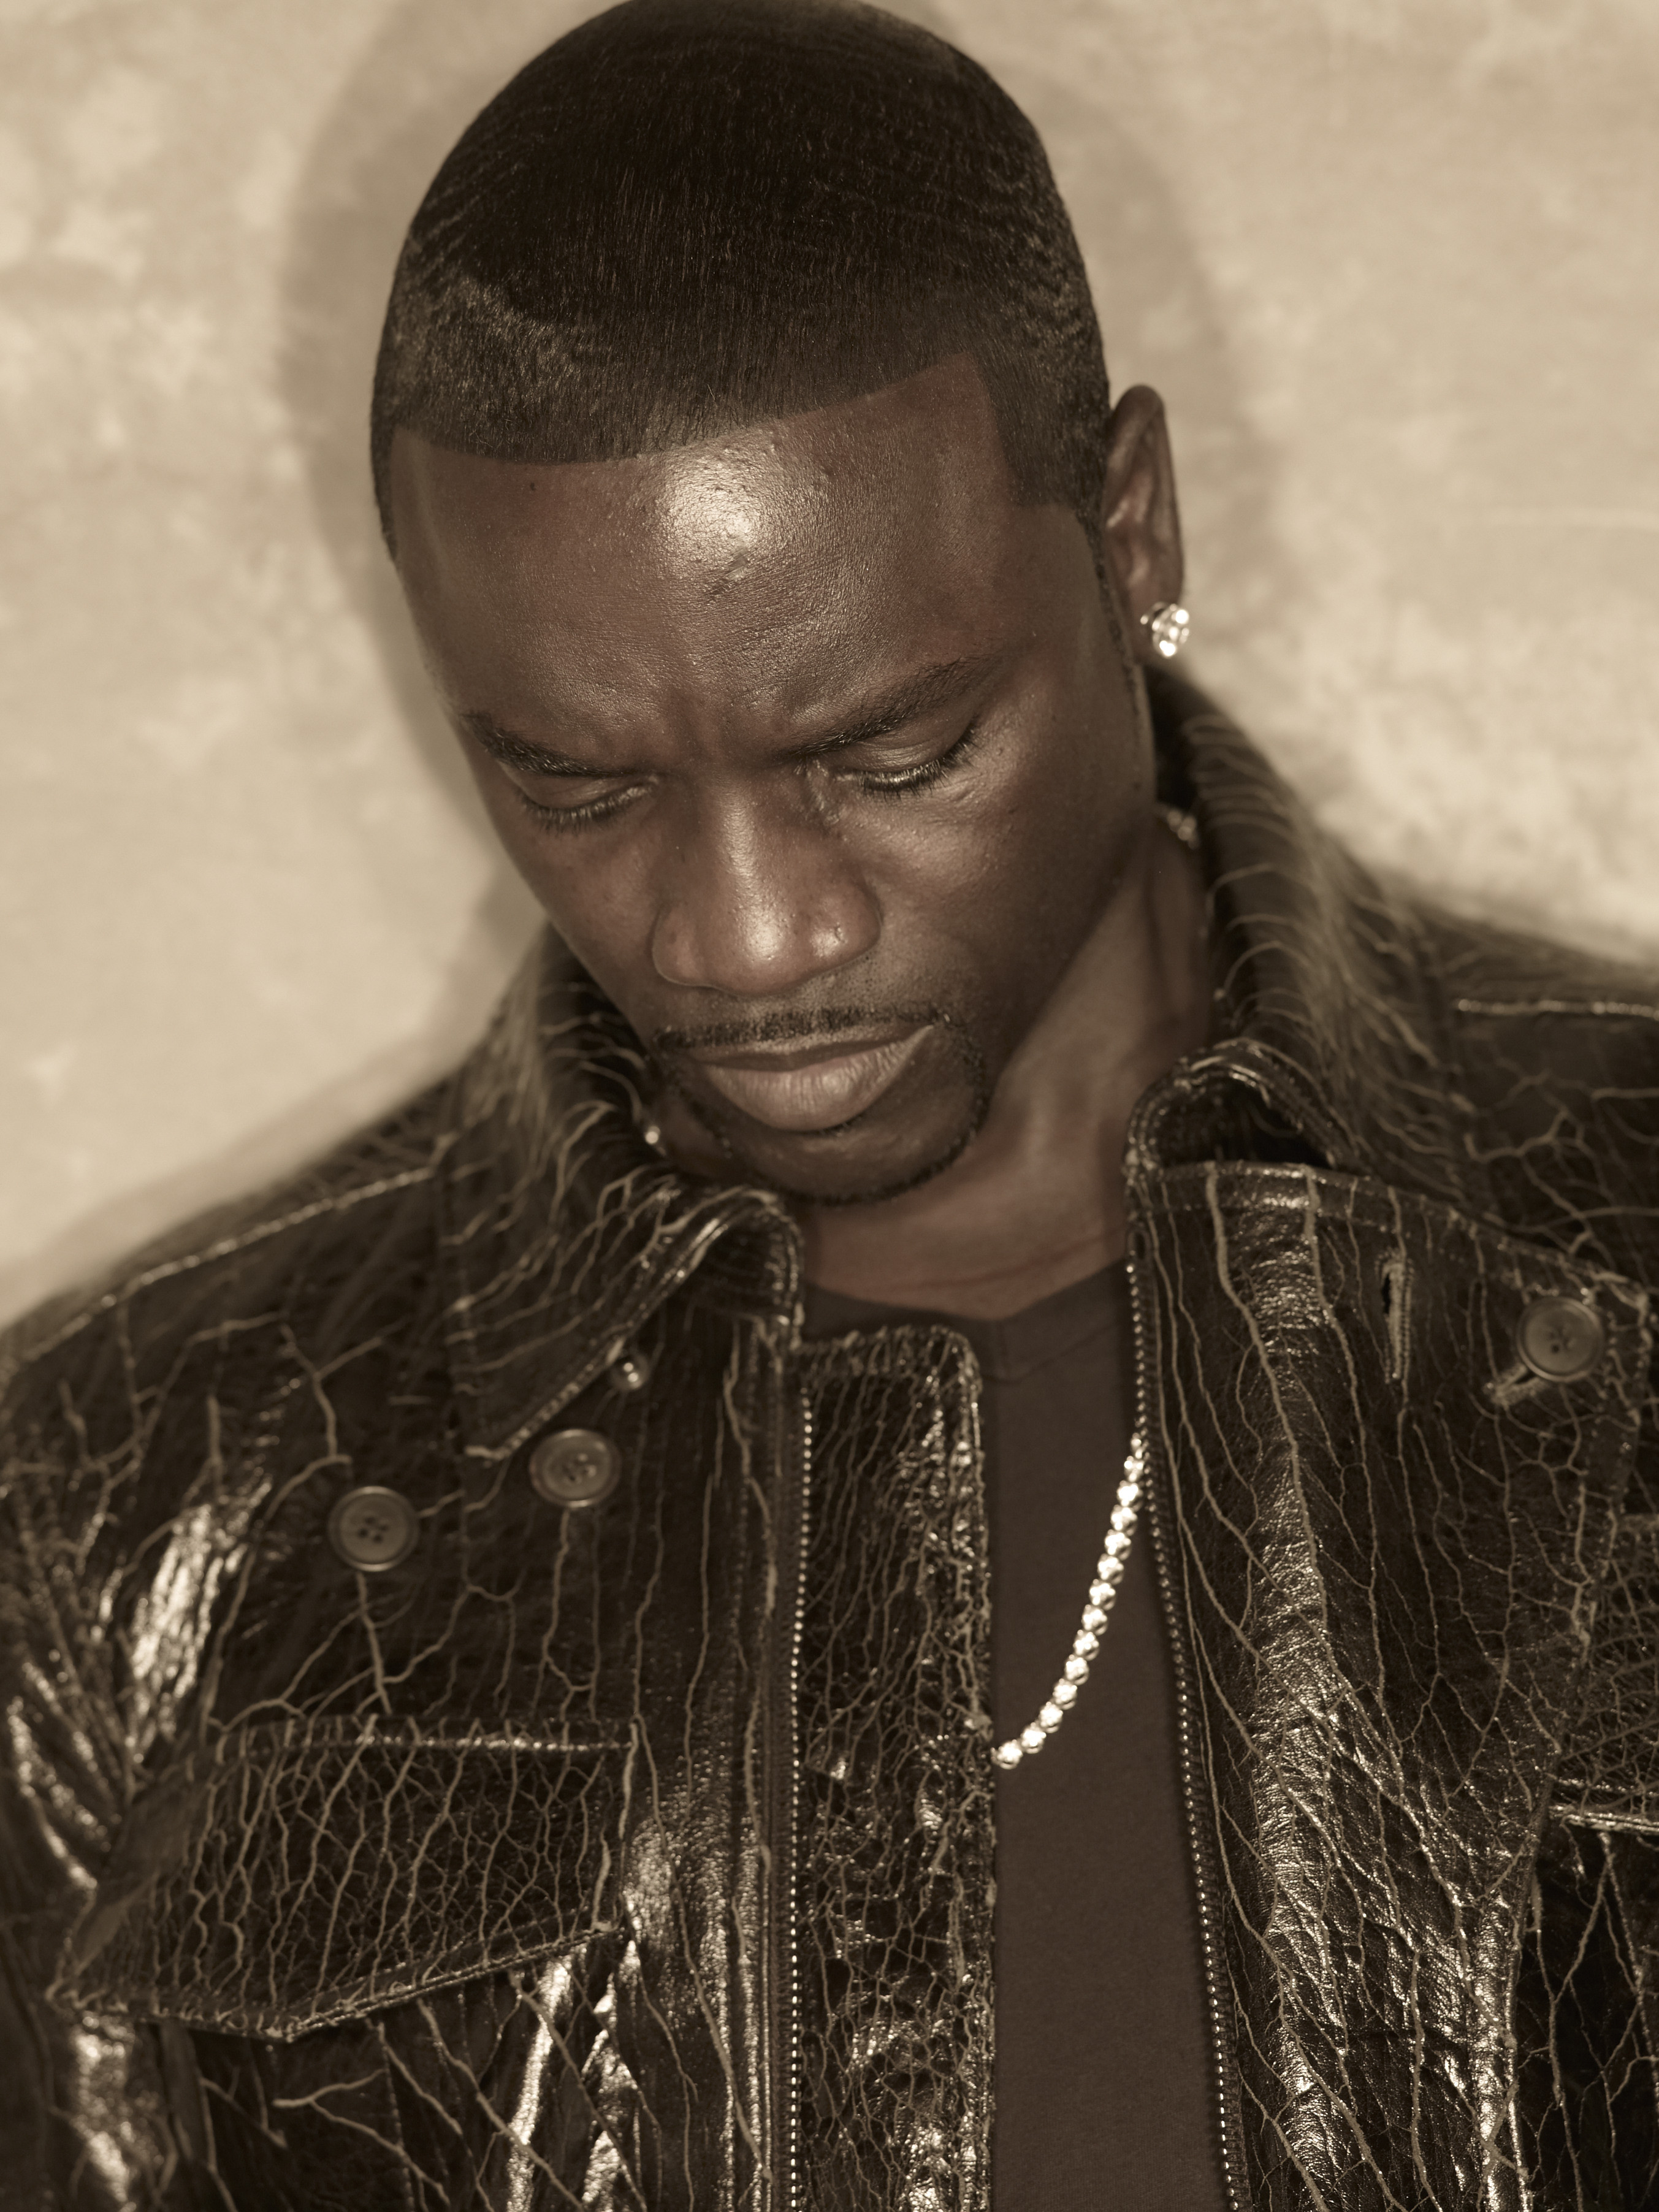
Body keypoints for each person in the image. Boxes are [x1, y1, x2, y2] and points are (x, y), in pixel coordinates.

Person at [2, 1, 1656, 2205]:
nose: (743, 937)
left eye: (891, 755)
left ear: (1130, 532)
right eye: (574, 784)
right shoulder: (122, 1515)